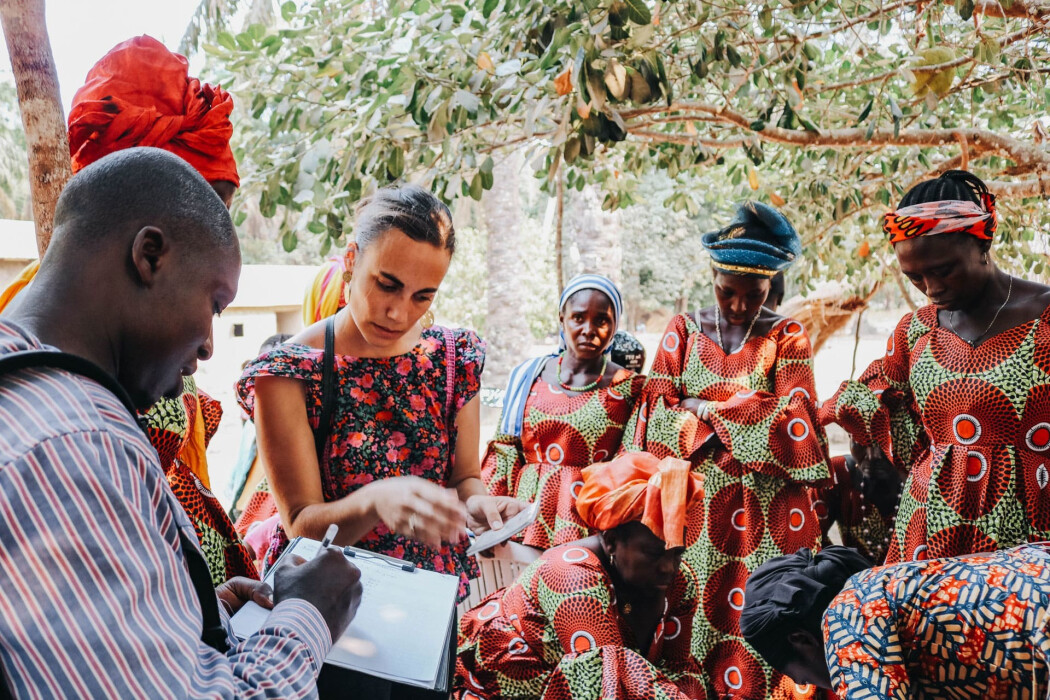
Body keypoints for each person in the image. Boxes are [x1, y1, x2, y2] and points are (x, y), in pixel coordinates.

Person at [0, 147, 362, 697]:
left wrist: (191, 615)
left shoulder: (32, 387)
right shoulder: (71, 448)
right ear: (150, 256)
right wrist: (308, 614)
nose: (210, 346)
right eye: (215, 304)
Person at [0, 35, 256, 585]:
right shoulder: (70, 417)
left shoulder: (71, 334)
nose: (208, 345)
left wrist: (210, 607)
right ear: (150, 249)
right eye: (205, 208)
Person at [237, 184, 522, 599]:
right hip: (328, 604)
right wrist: (374, 502)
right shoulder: (289, 373)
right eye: (387, 284)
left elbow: (464, 478)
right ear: (352, 260)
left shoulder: (452, 359)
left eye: (422, 296)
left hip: (429, 598)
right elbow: (301, 524)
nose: (399, 313)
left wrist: (478, 505)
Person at [623, 201, 831, 699]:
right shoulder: (683, 330)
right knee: (693, 612)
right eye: (727, 292)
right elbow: (655, 419)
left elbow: (797, 424)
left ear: (771, 286)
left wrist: (703, 408)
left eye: (753, 295)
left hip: (767, 513)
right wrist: (747, 412)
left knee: (760, 612)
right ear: (712, 278)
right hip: (696, 508)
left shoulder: (787, 336)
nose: (738, 306)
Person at [820, 170, 1050, 563]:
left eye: (943, 270)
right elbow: (877, 399)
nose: (931, 288)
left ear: (983, 242)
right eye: (914, 277)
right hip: (931, 525)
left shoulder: (1044, 317)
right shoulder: (917, 331)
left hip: (1030, 526)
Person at [456, 452, 708, 699]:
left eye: (677, 553)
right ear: (611, 542)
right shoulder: (570, 574)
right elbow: (604, 683)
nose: (668, 567)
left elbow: (678, 668)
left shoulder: (679, 582)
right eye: (653, 553)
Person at [740, 544, 1050, 698]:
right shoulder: (891, 583)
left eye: (799, 676)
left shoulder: (846, 619)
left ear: (801, 639)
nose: (808, 685)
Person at [483, 274, 646, 552]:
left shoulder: (631, 388)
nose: (588, 330)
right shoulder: (530, 375)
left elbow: (631, 466)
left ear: (615, 326)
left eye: (602, 321)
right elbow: (505, 451)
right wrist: (489, 522)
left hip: (588, 526)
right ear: (562, 319)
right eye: (578, 318)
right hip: (523, 518)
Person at [809, 441, 903, 565]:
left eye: (882, 442)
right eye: (860, 441)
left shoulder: (920, 481)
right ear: (850, 437)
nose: (872, 456)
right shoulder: (838, 474)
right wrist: (840, 565)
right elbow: (810, 540)